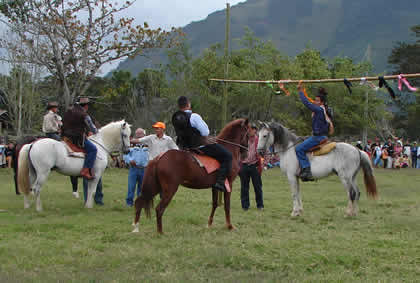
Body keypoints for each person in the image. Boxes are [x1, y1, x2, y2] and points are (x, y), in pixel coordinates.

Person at [171, 96, 232, 192]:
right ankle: (220, 182)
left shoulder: (175, 118)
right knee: (228, 155)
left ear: (179, 106)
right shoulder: (194, 116)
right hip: (200, 147)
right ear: (188, 104)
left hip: (184, 147)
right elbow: (205, 132)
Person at [294, 81, 332, 181]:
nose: (315, 102)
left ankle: (306, 170)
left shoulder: (319, 110)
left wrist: (300, 91)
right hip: (318, 136)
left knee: (298, 149)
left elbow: (306, 103)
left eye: (317, 101)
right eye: (315, 100)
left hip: (318, 137)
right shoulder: (322, 109)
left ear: (322, 102)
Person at [239, 125, 264, 211]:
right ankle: (245, 206)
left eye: (251, 130)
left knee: (257, 187)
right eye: (248, 130)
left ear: (255, 130)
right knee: (244, 187)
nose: (249, 131)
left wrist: (263, 164)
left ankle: (260, 205)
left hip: (255, 166)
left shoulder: (259, 140)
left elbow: (266, 153)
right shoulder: (243, 140)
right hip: (244, 166)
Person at [123, 128, 149, 207]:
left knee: (142, 188)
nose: (139, 135)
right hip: (133, 169)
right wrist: (130, 160)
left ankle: (140, 203)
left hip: (144, 169)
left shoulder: (148, 144)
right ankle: (129, 203)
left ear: (144, 135)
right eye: (137, 134)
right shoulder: (131, 144)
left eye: (141, 134)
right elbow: (125, 155)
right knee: (131, 186)